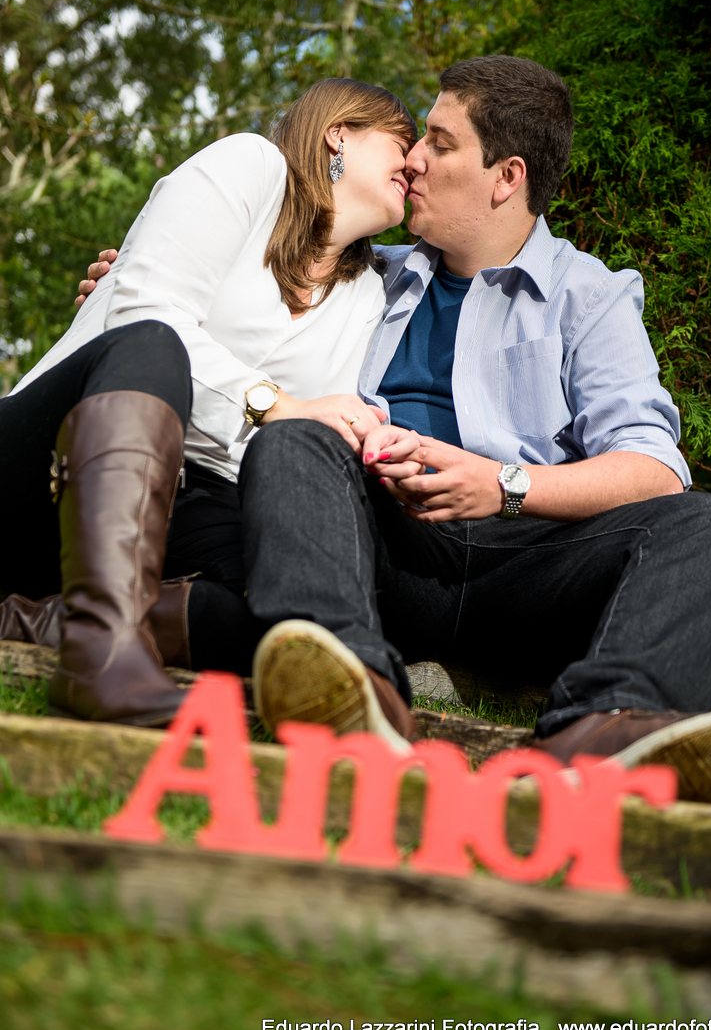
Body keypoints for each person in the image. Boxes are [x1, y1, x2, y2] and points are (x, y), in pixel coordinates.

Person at [46, 57, 711, 803]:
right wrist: (126, 277)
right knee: (296, 438)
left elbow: (654, 467)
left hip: (529, 559)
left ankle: (609, 730)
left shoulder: (588, 296)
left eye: (439, 141)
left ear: (506, 177)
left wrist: (502, 484)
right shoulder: (371, 272)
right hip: (387, 545)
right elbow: (256, 305)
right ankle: (347, 681)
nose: (414, 159)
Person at [0, 78, 418, 745]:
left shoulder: (366, 295)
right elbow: (142, 310)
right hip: (48, 462)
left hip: (178, 506)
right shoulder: (251, 168)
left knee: (289, 607)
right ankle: (102, 658)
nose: (414, 160)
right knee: (152, 344)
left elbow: (301, 436)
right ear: (339, 132)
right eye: (402, 139)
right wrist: (274, 403)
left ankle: (42, 621)